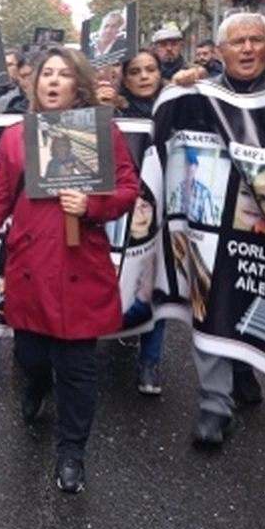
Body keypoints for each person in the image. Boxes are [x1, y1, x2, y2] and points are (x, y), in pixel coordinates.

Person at [0, 46, 139, 494]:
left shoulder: (103, 133)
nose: (52, 81)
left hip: (81, 264)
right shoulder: (13, 137)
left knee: (79, 367)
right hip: (29, 264)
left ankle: (71, 451)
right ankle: (36, 386)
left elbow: (128, 189)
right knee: (32, 355)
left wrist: (92, 205)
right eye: (46, 73)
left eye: (63, 75)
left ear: (77, 85)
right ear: (33, 82)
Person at [170, 12, 265, 446]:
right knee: (211, 304)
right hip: (211, 228)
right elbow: (160, 124)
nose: (245, 49)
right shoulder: (199, 95)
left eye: (255, 40)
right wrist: (176, 87)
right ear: (219, 52)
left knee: (258, 300)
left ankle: (245, 367)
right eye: (236, 42)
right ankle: (214, 406)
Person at [115, 48, 169, 395]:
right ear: (125, 77)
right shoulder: (113, 111)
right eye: (135, 71)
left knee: (156, 283)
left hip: (163, 210)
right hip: (120, 210)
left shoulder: (176, 105)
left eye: (151, 69)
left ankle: (150, 361)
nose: (144, 76)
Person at [169, 148, 219, 225]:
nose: (189, 168)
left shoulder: (204, 193)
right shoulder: (178, 189)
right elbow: (174, 215)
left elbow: (209, 222)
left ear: (196, 167)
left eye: (192, 164)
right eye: (187, 164)